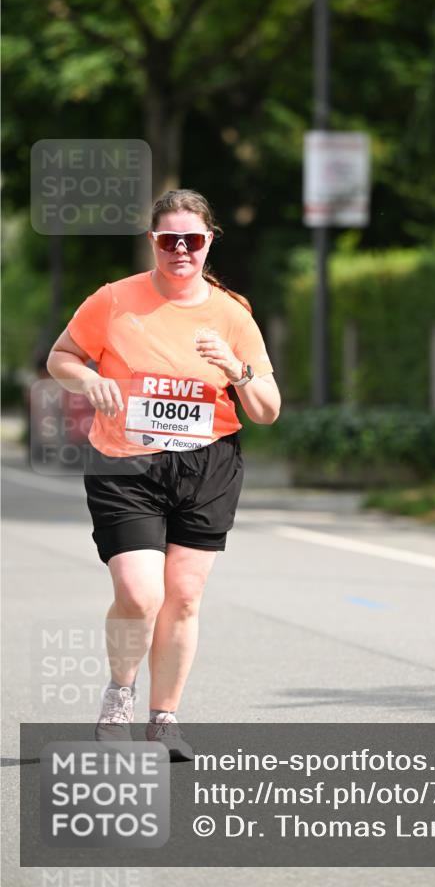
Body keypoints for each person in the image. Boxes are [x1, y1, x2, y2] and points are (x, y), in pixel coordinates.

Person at [46, 189, 281, 760]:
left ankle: (164, 721)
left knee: (184, 596)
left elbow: (267, 409)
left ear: (208, 243)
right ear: (153, 241)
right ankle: (119, 698)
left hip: (208, 463)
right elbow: (61, 356)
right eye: (168, 239)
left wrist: (237, 368)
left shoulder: (232, 313)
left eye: (192, 239)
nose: (180, 249)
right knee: (139, 591)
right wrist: (87, 381)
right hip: (127, 459)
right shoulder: (114, 300)